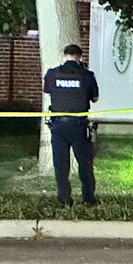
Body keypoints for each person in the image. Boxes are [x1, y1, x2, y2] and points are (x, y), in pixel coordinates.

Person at [43, 44, 99, 207]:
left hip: (58, 126)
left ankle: (64, 200)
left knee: (61, 166)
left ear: (64, 56)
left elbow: (47, 91)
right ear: (80, 57)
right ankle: (88, 199)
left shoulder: (53, 74)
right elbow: (95, 99)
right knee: (85, 165)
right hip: (78, 127)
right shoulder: (87, 75)